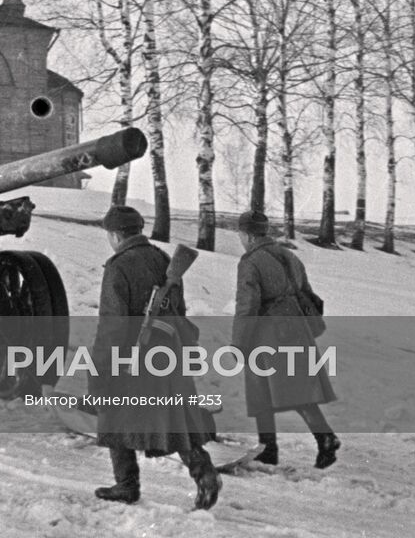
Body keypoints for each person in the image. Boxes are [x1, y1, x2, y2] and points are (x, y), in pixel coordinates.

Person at [90, 206, 219, 509]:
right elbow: (179, 310)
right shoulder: (162, 259)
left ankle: (126, 485)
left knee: (112, 412)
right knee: (174, 417)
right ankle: (205, 474)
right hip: (167, 352)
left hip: (133, 355)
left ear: (115, 234)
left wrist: (102, 367)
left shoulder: (118, 266)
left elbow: (112, 325)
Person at [232, 209, 340, 469]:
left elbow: (247, 305)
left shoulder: (250, 261)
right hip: (297, 328)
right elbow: (307, 293)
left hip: (268, 333)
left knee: (261, 388)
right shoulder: (289, 256)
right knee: (295, 388)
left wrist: (239, 344)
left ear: (246, 234)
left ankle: (275, 447)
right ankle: (313, 438)